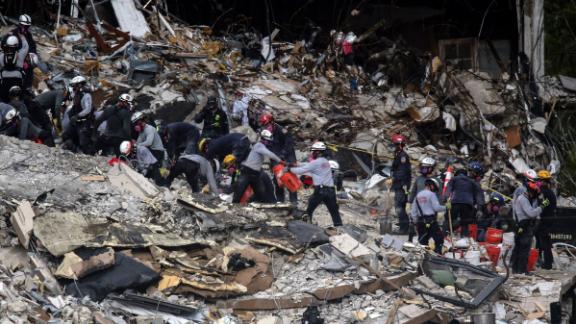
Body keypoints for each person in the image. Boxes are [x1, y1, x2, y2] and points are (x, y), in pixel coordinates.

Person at [290, 141, 343, 227]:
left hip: (320, 191)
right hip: (331, 191)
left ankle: (307, 227)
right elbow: (308, 165)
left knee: (309, 210)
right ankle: (340, 229)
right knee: (334, 213)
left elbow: (300, 171)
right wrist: (298, 164)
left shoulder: (317, 162)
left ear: (318, 152)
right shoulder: (326, 161)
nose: (313, 153)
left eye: (314, 151)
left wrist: (289, 169)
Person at [232, 129, 283, 203]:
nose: (268, 143)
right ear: (263, 139)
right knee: (239, 191)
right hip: (247, 171)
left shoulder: (261, 146)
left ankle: (265, 205)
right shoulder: (259, 145)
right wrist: (281, 161)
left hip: (255, 174)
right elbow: (269, 154)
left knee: (260, 193)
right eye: (267, 141)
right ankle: (233, 207)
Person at [259, 113, 298, 204]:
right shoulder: (265, 133)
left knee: (289, 179)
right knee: (277, 180)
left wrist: (282, 155)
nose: (266, 127)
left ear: (272, 122)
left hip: (288, 157)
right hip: (275, 158)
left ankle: (294, 202)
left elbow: (289, 144)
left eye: (267, 124)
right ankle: (280, 201)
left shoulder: (281, 130)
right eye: (264, 125)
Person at [510, 181, 547, 274]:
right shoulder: (523, 199)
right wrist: (542, 207)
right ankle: (522, 270)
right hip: (524, 226)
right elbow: (531, 213)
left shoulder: (525, 198)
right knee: (524, 249)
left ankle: (516, 269)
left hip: (523, 226)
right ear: (531, 192)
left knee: (519, 248)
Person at [444, 164, 483, 237]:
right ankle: (464, 238)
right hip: (468, 205)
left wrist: (445, 200)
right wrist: (479, 209)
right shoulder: (474, 182)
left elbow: (448, 190)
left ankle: (445, 235)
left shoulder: (454, 179)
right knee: (465, 223)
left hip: (455, 202)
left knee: (448, 220)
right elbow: (479, 196)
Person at [411, 178, 445, 253]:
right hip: (431, 221)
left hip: (420, 221)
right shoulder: (431, 194)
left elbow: (413, 212)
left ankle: (424, 256)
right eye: (434, 188)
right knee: (439, 238)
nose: (434, 190)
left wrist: (416, 222)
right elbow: (436, 208)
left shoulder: (418, 195)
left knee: (423, 242)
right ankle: (438, 255)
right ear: (431, 186)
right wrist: (446, 207)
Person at [62, 76, 94, 154]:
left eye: (75, 85)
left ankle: (89, 156)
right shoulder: (77, 94)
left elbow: (88, 109)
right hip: (75, 121)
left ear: (79, 85)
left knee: (84, 144)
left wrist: (78, 115)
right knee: (65, 135)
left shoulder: (86, 95)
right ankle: (74, 150)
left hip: (84, 122)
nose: (73, 87)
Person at [132, 112, 166, 185]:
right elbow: (138, 142)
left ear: (141, 121)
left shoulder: (149, 129)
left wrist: (136, 145)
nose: (135, 125)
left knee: (152, 165)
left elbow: (148, 142)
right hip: (151, 150)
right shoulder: (142, 131)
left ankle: (161, 183)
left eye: (136, 123)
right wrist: (134, 145)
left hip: (157, 151)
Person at [391, 134, 411, 234]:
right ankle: (403, 225)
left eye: (396, 145)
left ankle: (404, 228)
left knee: (399, 207)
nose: (395, 147)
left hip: (402, 186)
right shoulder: (398, 155)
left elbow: (402, 172)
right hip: (399, 185)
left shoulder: (403, 156)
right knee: (399, 207)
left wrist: (393, 178)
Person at [536, 170, 556, 270]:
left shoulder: (545, 193)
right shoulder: (550, 192)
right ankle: (548, 260)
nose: (538, 182)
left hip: (545, 220)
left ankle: (547, 264)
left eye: (539, 180)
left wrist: (537, 209)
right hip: (550, 219)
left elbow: (544, 204)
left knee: (543, 241)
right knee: (545, 240)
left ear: (544, 181)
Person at [11, 14, 37, 89]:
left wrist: (30, 59)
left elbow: (33, 47)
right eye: (24, 26)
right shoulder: (13, 34)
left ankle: (27, 89)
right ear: (19, 24)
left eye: (27, 27)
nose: (25, 28)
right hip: (14, 62)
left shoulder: (28, 35)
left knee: (29, 70)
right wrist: (21, 61)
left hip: (26, 63)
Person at [0, 35, 28, 102]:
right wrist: (22, 36)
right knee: (18, 103)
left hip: (4, 84)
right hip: (17, 83)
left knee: (3, 103)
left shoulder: (1, 56)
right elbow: (26, 46)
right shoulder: (21, 55)